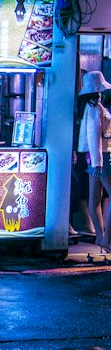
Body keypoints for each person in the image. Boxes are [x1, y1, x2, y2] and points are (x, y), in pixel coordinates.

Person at [77, 69, 111, 249]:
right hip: (102, 156)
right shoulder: (95, 108)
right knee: (102, 196)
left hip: (94, 157)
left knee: (94, 198)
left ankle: (101, 236)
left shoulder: (91, 107)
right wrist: (98, 162)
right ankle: (106, 239)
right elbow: (94, 135)